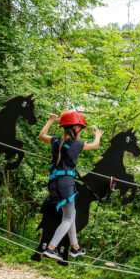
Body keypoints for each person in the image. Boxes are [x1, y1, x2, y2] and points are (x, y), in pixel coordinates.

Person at [38, 110, 102, 261]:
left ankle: (75, 247)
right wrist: (98, 135)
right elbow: (94, 146)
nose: (80, 131)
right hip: (66, 183)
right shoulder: (77, 144)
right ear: (74, 128)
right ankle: (51, 248)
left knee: (70, 213)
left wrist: (50, 121)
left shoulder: (55, 140)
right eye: (80, 128)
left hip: (54, 183)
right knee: (67, 217)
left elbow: (41, 136)